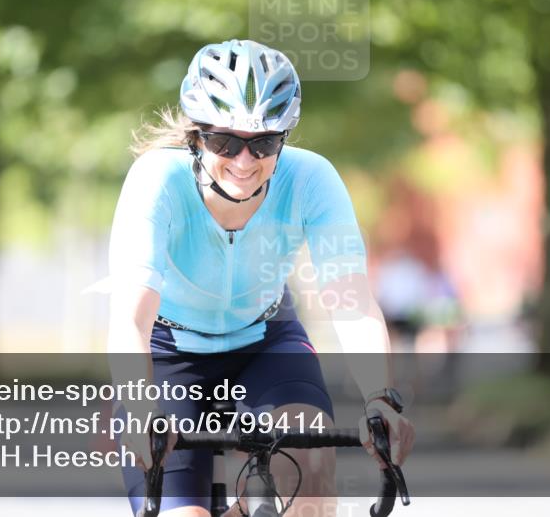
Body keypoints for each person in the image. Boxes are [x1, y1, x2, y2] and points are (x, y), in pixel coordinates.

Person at [105, 39, 415, 517]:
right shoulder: (156, 180)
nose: (244, 161)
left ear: (283, 139)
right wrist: (141, 408)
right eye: (224, 142)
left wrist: (380, 398)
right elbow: (130, 318)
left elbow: (351, 302)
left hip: (266, 341)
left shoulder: (311, 179)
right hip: (170, 351)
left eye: (264, 143)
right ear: (196, 135)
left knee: (310, 482)